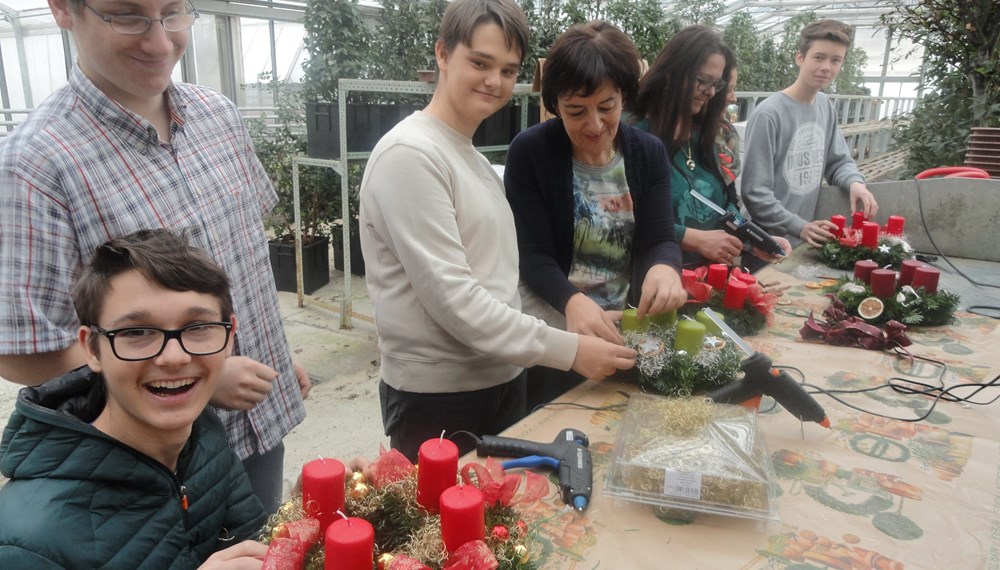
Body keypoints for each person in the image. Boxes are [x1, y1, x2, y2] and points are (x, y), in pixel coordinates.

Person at [0, 0, 307, 513]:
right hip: (157, 469)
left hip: (260, 424)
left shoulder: (219, 117)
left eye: (173, 12)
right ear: (62, 9)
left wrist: (276, 348)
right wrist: (200, 377)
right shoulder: (37, 165)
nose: (160, 41)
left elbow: (243, 262)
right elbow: (21, 349)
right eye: (127, 16)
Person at [359, 0, 637, 462]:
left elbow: (503, 283)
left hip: (500, 381)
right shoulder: (410, 156)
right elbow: (457, 303)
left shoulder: (472, 159)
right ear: (443, 54)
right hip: (442, 399)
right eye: (480, 63)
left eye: (508, 70)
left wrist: (581, 324)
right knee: (448, 529)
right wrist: (569, 350)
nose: (494, 81)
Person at [0, 229, 268, 568]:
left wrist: (314, 513)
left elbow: (253, 544)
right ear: (91, 348)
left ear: (229, 337)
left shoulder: (202, 435)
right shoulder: (28, 544)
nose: (174, 357)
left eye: (198, 327)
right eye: (136, 332)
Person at [504, 21, 686, 408]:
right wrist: (572, 301)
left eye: (607, 107)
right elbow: (532, 255)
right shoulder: (531, 153)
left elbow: (660, 238)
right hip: (556, 335)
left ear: (625, 97)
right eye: (575, 111)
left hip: (625, 334)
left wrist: (664, 268)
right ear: (555, 106)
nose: (594, 125)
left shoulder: (648, 154)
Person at [631, 25, 791, 268]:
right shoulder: (634, 135)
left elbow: (725, 206)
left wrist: (752, 239)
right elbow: (624, 218)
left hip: (707, 279)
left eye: (717, 84)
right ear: (671, 72)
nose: (710, 92)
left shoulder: (710, 136)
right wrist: (694, 239)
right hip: (653, 278)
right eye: (701, 80)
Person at [741, 19, 879, 251]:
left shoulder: (825, 107)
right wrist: (799, 226)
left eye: (836, 60)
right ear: (800, 58)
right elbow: (755, 193)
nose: (827, 67)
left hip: (803, 238)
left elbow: (838, 162)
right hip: (767, 243)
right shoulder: (769, 114)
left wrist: (855, 183)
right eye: (819, 57)